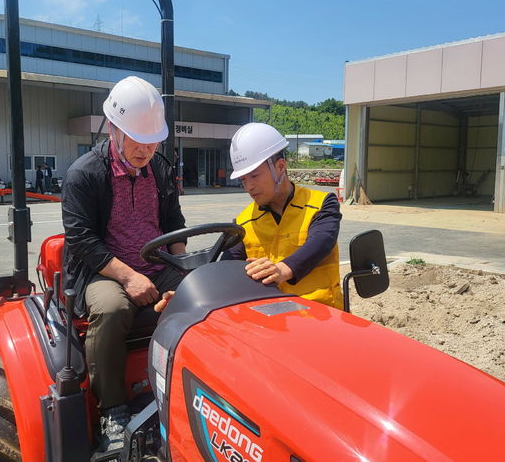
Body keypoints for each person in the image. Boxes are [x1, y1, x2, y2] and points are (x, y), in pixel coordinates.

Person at [61, 76, 186, 452]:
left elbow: (175, 224)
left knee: (201, 293)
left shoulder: (161, 169)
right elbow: (82, 240)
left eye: (152, 141)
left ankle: (186, 384)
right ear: (113, 128)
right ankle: (112, 410)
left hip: (155, 261)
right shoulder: (84, 174)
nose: (145, 149)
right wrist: (130, 277)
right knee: (113, 310)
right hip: (104, 270)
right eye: (137, 139)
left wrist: (183, 271)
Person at [155, 122, 343, 312]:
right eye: (243, 179)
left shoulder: (322, 204)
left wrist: (281, 270)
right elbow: (225, 269)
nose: (248, 186)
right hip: (272, 318)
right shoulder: (243, 222)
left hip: (323, 314)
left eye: (254, 176)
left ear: (280, 166)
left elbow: (321, 242)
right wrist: (190, 294)